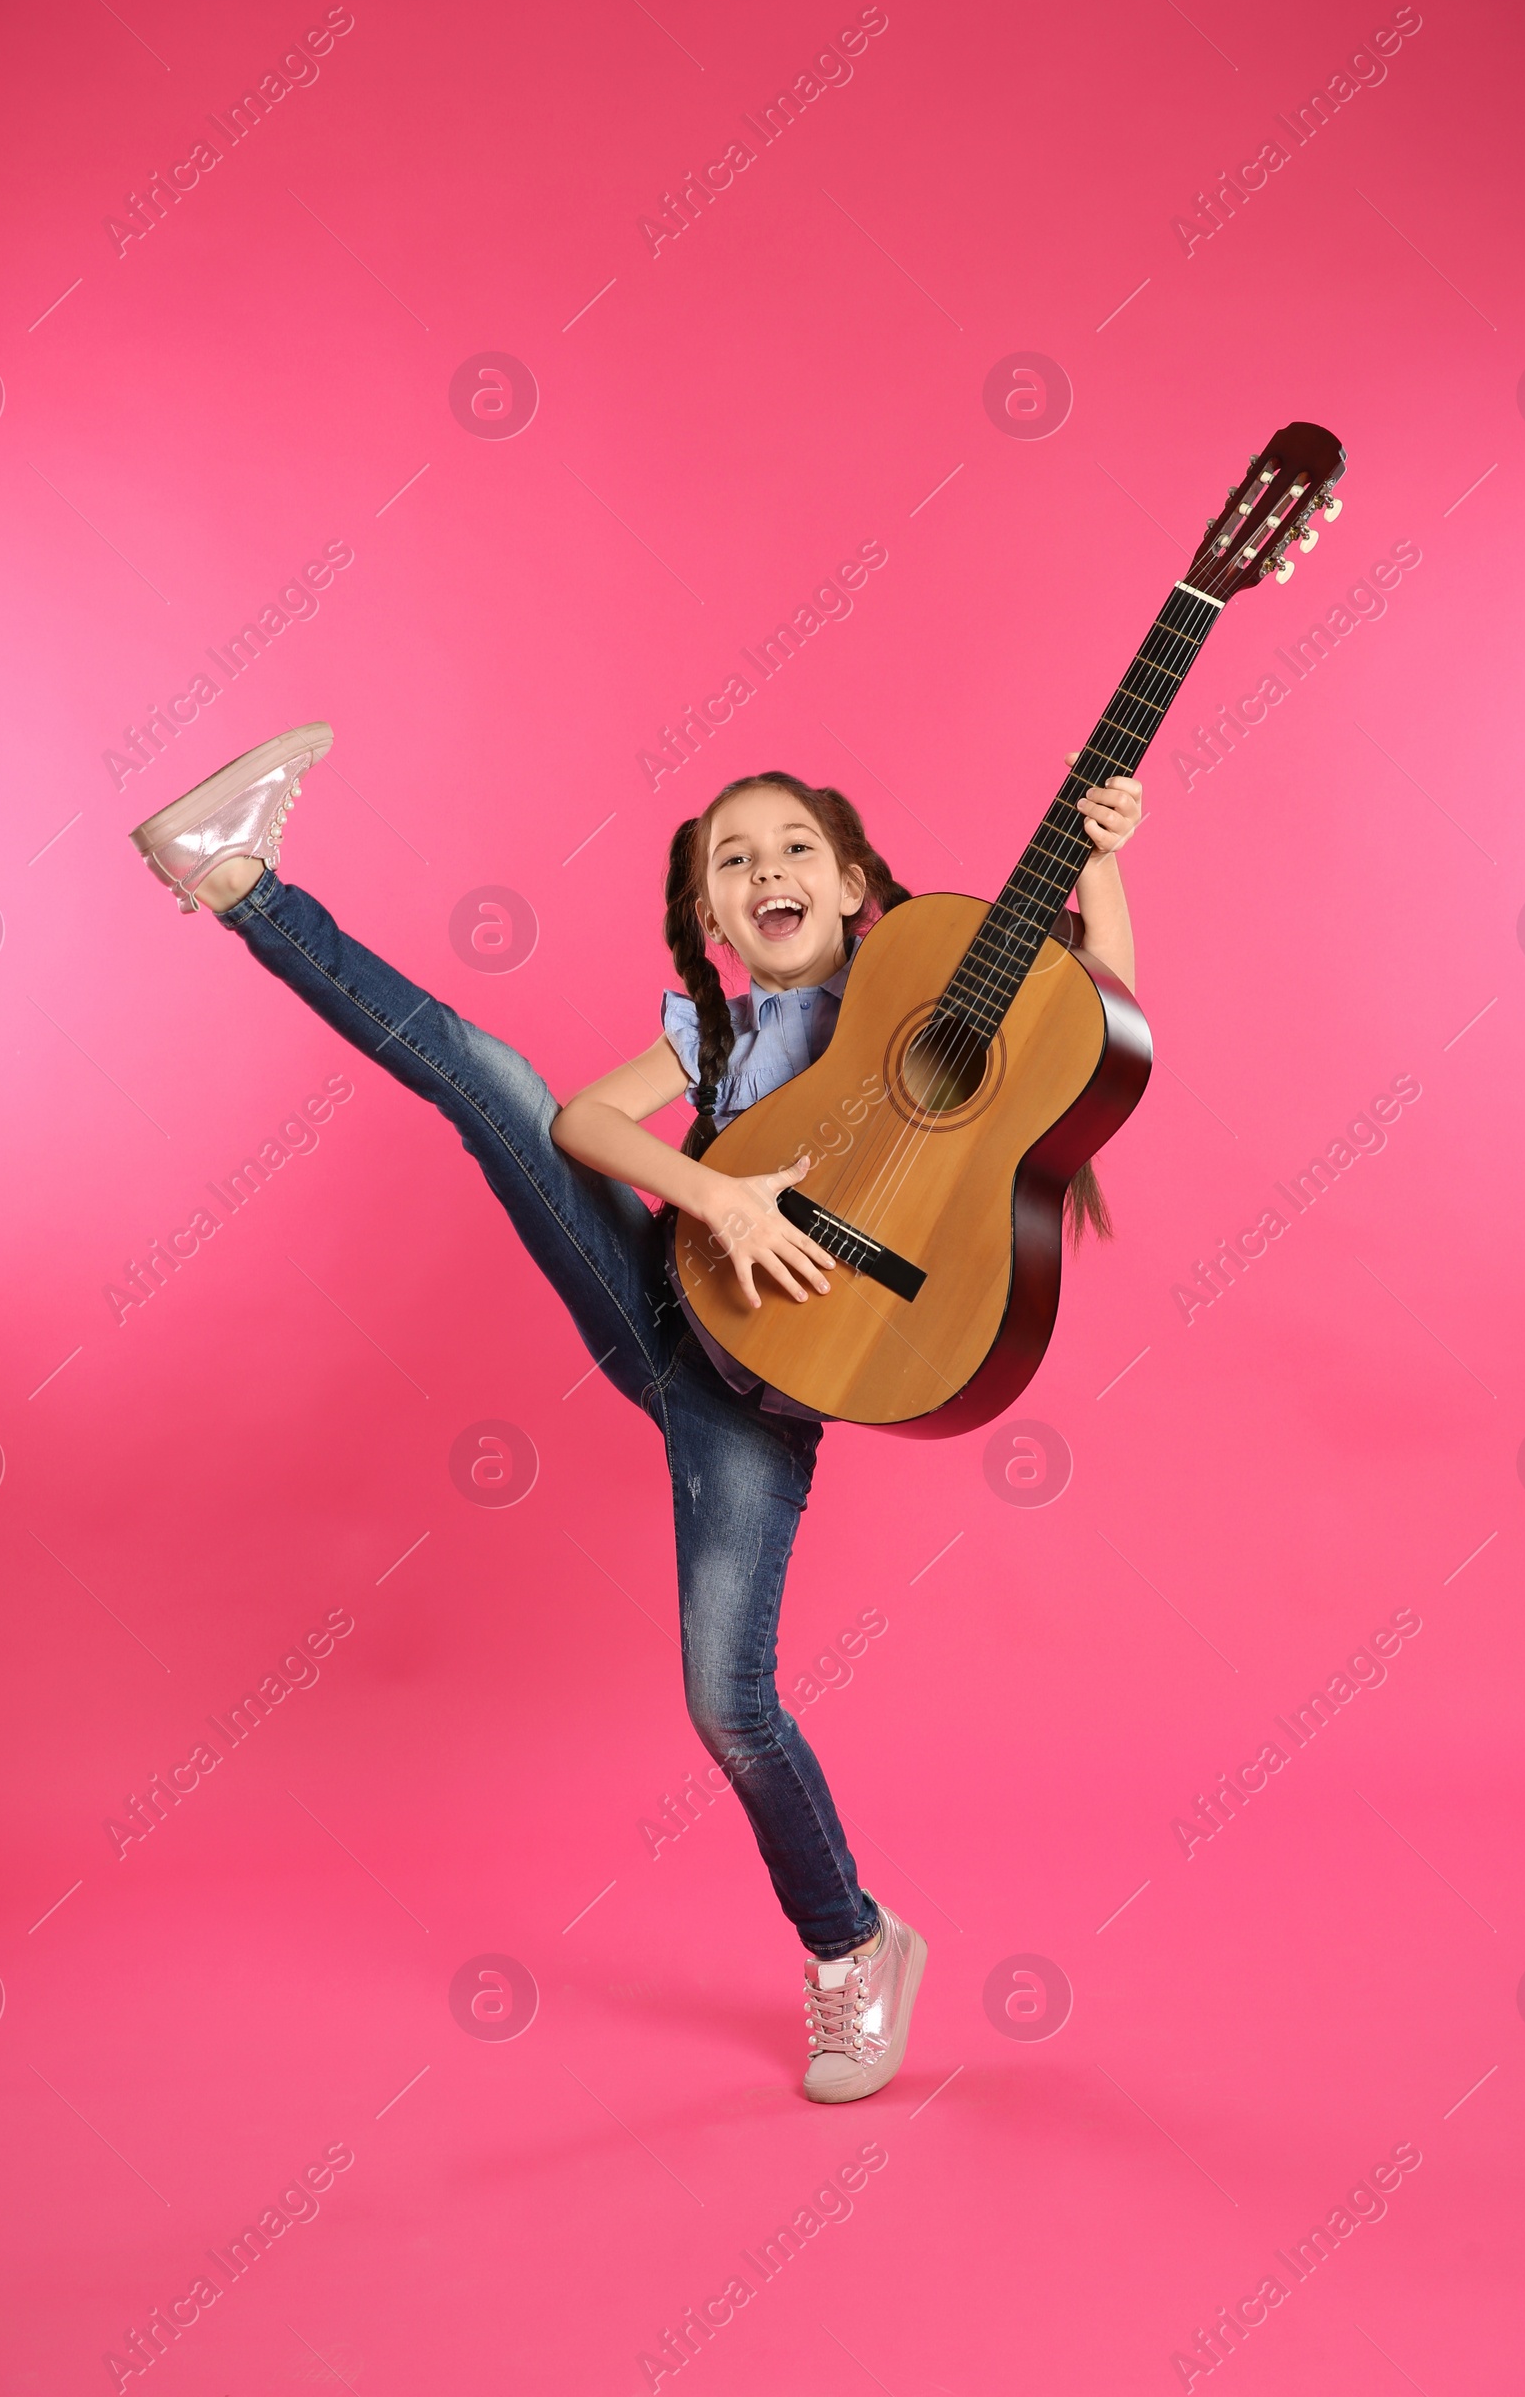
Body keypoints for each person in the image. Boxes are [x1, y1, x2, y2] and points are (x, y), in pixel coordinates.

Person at [128, 723, 1142, 2100]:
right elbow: (585, 1126)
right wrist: (717, 1192)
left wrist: (1102, 868)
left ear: (854, 885)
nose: (763, 870)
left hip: (760, 1411)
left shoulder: (927, 1006)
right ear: (710, 913)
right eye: (733, 860)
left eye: (794, 848)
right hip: (658, 1301)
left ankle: (852, 1947)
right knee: (490, 1085)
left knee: (727, 1709)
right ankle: (241, 881)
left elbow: (1099, 1037)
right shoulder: (714, 1026)